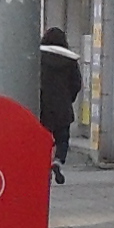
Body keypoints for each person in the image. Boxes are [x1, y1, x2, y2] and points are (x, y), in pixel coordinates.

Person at [37, 26, 86, 173]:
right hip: (62, 107)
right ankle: (57, 161)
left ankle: (40, 161)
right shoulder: (70, 60)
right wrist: (68, 99)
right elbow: (76, 84)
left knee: (41, 136)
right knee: (62, 138)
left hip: (41, 105)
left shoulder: (38, 57)